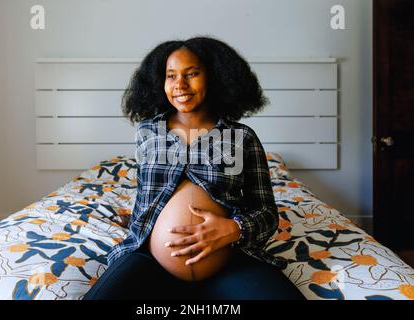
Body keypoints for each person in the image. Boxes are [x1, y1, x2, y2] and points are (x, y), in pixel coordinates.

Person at [83, 36, 305, 300]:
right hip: (152, 263)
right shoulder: (147, 133)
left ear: (214, 77)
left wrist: (234, 228)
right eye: (171, 75)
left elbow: (267, 213)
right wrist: (137, 221)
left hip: (230, 263)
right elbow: (147, 198)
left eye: (192, 74)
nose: (180, 85)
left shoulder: (241, 137)